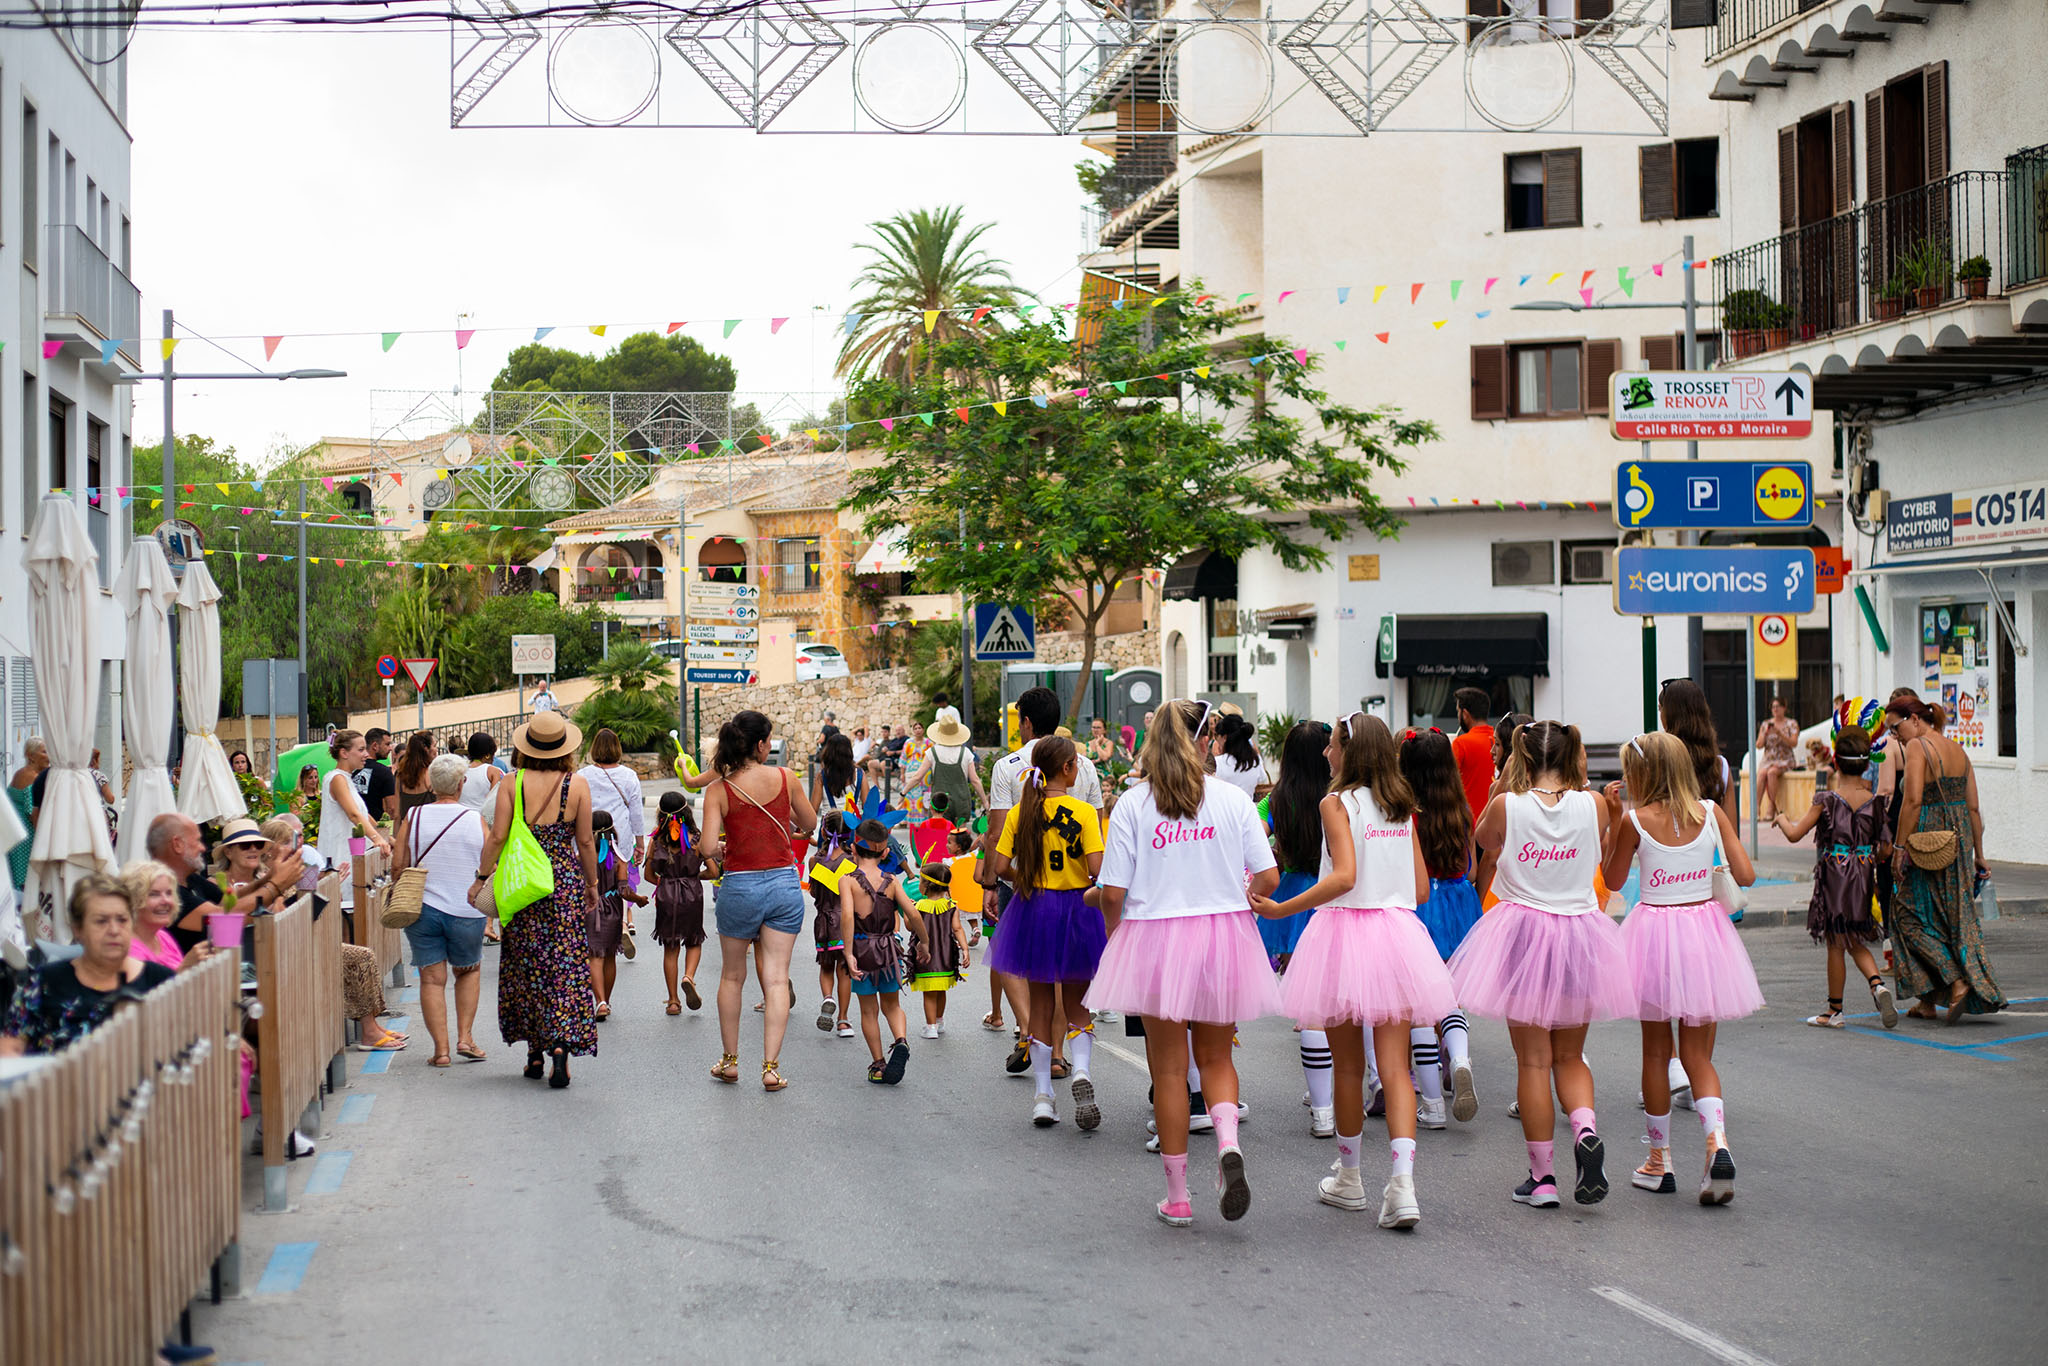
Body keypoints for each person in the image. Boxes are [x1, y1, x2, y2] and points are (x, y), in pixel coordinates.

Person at [1253, 713, 1451, 1231]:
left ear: (1351, 751)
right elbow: (1423, 889)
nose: (1326, 753)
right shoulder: (1401, 808)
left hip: (1344, 935)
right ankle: (1402, 1186)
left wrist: (1282, 908)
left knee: (1347, 1067)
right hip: (1398, 936)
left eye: (1334, 745)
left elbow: (1343, 877)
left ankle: (1350, 1177)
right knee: (1394, 1067)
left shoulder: (1336, 803)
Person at [1093, 700, 1281, 1227]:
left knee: (1170, 1069)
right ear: (1205, 742)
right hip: (1222, 935)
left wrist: (1116, 939)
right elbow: (1267, 879)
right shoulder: (1232, 800)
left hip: (1155, 938)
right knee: (1217, 1060)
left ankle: (1178, 1198)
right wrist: (1235, 896)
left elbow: (1112, 891)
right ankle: (1226, 1142)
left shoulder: (1133, 803)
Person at [1451, 720, 1636, 1209]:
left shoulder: (1507, 806)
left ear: (1522, 758)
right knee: (1570, 1057)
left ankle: (1543, 1178)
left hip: (1524, 934)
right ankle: (1584, 1131)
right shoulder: (1594, 804)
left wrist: (1503, 784)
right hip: (1579, 933)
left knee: (1533, 1060)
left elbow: (1482, 840)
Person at [1601, 733, 1761, 1205]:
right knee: (1699, 1057)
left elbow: (1611, 880)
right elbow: (1747, 875)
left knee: (1656, 1053)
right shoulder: (1711, 812)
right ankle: (1717, 1144)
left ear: (1644, 775)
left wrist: (1614, 821)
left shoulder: (1635, 820)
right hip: (1705, 934)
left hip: (1652, 935)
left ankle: (1659, 1160)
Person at [472, 711, 601, 1090]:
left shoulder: (513, 782)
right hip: (561, 883)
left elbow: (497, 837)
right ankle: (561, 1047)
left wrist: (481, 877)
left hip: (522, 883)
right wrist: (591, 883)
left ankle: (534, 1053)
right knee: (562, 965)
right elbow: (586, 841)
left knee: (526, 966)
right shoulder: (576, 785)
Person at [982, 687, 1104, 1076]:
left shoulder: (1008, 767)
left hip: (1028, 887)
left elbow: (996, 831)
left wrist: (991, 880)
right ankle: (1062, 1057)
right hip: (1077, 892)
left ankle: (1029, 1039)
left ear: (1027, 722)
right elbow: (1098, 827)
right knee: (1070, 981)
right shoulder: (1083, 765)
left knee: (1030, 970)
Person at [700, 709, 818, 1092]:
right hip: (784, 884)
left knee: (733, 976)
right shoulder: (786, 778)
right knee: (777, 979)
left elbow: (706, 848)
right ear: (762, 744)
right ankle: (770, 1068)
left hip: (740, 887)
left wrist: (723, 846)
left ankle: (730, 1061)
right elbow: (811, 823)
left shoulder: (718, 789)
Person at [1883, 695, 2003, 1022]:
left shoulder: (1919, 747)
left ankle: (1955, 980)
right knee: (1952, 916)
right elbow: (1974, 808)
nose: (1896, 737)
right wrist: (1979, 854)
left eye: (1896, 727)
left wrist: (1899, 848)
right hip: (1959, 839)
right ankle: (1927, 1001)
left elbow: (1912, 802)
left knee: (1905, 914)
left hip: (1927, 841)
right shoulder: (1959, 751)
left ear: (1916, 719)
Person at [1776, 725, 1897, 1030]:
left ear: (1836, 763)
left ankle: (1835, 1011)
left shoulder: (1826, 800)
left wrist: (1780, 819)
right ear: (1866, 762)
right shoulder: (1876, 803)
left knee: (1835, 942)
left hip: (1835, 876)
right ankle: (1877, 985)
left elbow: (1794, 834)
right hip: (1862, 876)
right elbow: (1885, 849)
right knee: (1855, 937)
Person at [1397, 727, 1482, 1128]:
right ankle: (1461, 1058)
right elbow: (1473, 869)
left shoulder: (1406, 814)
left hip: (1421, 906)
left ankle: (1431, 1105)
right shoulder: (1460, 809)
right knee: (1449, 996)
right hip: (1459, 901)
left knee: (1419, 1008)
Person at [1255, 720, 1337, 1135]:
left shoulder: (1275, 800)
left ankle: (1320, 1101)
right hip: (1331, 894)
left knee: (1309, 1006)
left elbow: (1251, 835)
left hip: (1289, 896)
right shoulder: (1338, 799)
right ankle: (1368, 1080)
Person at [2, 875, 174, 1054]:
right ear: (78, 929)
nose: (114, 930)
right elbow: (11, 1045)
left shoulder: (161, 983)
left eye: (122, 920)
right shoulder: (45, 982)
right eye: (101, 921)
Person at [393, 754, 490, 1068]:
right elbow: (490, 864)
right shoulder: (475, 820)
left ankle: (442, 1051)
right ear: (462, 784)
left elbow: (398, 864)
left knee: (432, 980)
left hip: (424, 908)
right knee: (468, 971)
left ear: (431, 784)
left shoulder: (415, 816)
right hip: (467, 909)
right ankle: (466, 1037)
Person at [840, 819, 931, 1084]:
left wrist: (848, 953)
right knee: (892, 1005)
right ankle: (901, 1041)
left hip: (862, 947)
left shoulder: (848, 881)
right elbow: (912, 912)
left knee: (869, 1011)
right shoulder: (891, 880)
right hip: (889, 949)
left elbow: (847, 916)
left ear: (854, 849)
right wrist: (923, 943)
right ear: (885, 852)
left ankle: (879, 1063)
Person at [645, 790, 706, 1016]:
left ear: (660, 814)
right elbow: (712, 870)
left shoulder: (656, 841)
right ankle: (688, 976)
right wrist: (692, 877)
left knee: (670, 949)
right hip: (692, 894)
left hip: (667, 895)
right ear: (687, 812)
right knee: (693, 941)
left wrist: (666, 881)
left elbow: (649, 877)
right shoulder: (696, 839)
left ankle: (672, 1001)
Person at [808, 810, 859, 1038]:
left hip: (823, 921)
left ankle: (828, 998)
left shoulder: (814, 861)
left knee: (825, 966)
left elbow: (813, 893)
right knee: (844, 970)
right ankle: (843, 1020)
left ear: (823, 831)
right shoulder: (852, 862)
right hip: (845, 921)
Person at [911, 860, 967, 1038]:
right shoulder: (951, 906)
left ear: (926, 885)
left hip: (925, 957)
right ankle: (940, 1020)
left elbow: (910, 927)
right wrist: (965, 950)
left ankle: (931, 1027)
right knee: (941, 989)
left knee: (929, 993)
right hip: (945, 956)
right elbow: (958, 929)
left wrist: (909, 910)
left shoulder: (919, 907)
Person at [578, 728, 648, 867]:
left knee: (591, 882)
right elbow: (636, 813)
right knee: (619, 881)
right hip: (620, 841)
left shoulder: (582, 775)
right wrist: (639, 845)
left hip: (589, 840)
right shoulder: (629, 775)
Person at [122, 859, 205, 972]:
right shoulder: (127, 949)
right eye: (154, 894)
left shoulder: (162, 936)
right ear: (134, 900)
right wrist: (186, 967)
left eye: (169, 893)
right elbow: (145, 989)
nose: (166, 901)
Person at [916, 707, 985, 827]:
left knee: (939, 836)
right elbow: (975, 780)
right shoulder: (966, 753)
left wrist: (903, 793)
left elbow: (918, 777)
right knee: (959, 837)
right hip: (961, 800)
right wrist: (985, 802)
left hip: (940, 801)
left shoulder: (932, 752)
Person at [1449, 688, 1497, 826]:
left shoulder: (1461, 743)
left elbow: (1448, 781)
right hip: (1497, 822)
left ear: (1465, 714)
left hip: (1471, 823)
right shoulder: (1500, 739)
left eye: (1458, 711)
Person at [7, 737, 47, 893]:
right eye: (44, 751)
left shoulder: (20, 773)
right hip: (26, 841)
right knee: (28, 887)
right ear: (31, 756)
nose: (49, 756)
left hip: (16, 838)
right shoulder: (33, 778)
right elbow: (33, 814)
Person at [1753, 696, 1799, 821]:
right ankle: (1756, 808)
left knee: (1772, 773)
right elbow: (1758, 745)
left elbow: (1794, 743)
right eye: (1773, 707)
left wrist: (1779, 733)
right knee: (1762, 773)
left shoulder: (1791, 724)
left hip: (1784, 759)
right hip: (1769, 759)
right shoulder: (1766, 724)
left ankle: (1771, 807)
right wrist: (1764, 735)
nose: (1775, 710)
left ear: (1784, 708)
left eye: (1777, 707)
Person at [1211, 714, 1264, 797]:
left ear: (1224, 737)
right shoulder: (1256, 760)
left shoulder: (1218, 763)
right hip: (1248, 807)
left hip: (1225, 809)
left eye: (1217, 737)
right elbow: (1262, 779)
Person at [810, 732, 858, 816]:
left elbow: (814, 809)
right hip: (854, 826)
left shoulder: (822, 776)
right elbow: (867, 805)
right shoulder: (859, 774)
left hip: (830, 826)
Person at [394, 731, 438, 820]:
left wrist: (397, 834)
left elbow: (397, 815)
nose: (436, 750)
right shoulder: (431, 774)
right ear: (426, 748)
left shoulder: (400, 775)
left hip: (407, 830)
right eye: (434, 746)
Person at [357, 727, 399, 822]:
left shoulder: (353, 769)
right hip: (375, 827)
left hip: (353, 825)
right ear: (375, 746)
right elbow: (391, 808)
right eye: (387, 744)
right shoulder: (384, 772)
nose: (390, 749)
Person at [897, 719, 933, 818]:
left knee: (923, 796)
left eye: (919, 728)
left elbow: (933, 759)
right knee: (909, 794)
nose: (918, 730)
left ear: (923, 729)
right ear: (913, 730)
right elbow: (903, 758)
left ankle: (923, 818)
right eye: (915, 728)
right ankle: (908, 818)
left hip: (925, 774)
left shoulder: (928, 743)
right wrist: (902, 773)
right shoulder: (908, 742)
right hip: (910, 773)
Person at [460, 733, 503, 813]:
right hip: (482, 819)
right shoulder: (492, 771)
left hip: (462, 817)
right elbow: (493, 801)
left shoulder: (460, 770)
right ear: (487, 755)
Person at [289, 761, 324, 830]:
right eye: (310, 778)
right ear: (303, 779)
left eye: (316, 777)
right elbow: (296, 818)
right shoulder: (296, 796)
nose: (314, 780)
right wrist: (312, 808)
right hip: (304, 832)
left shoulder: (321, 794)